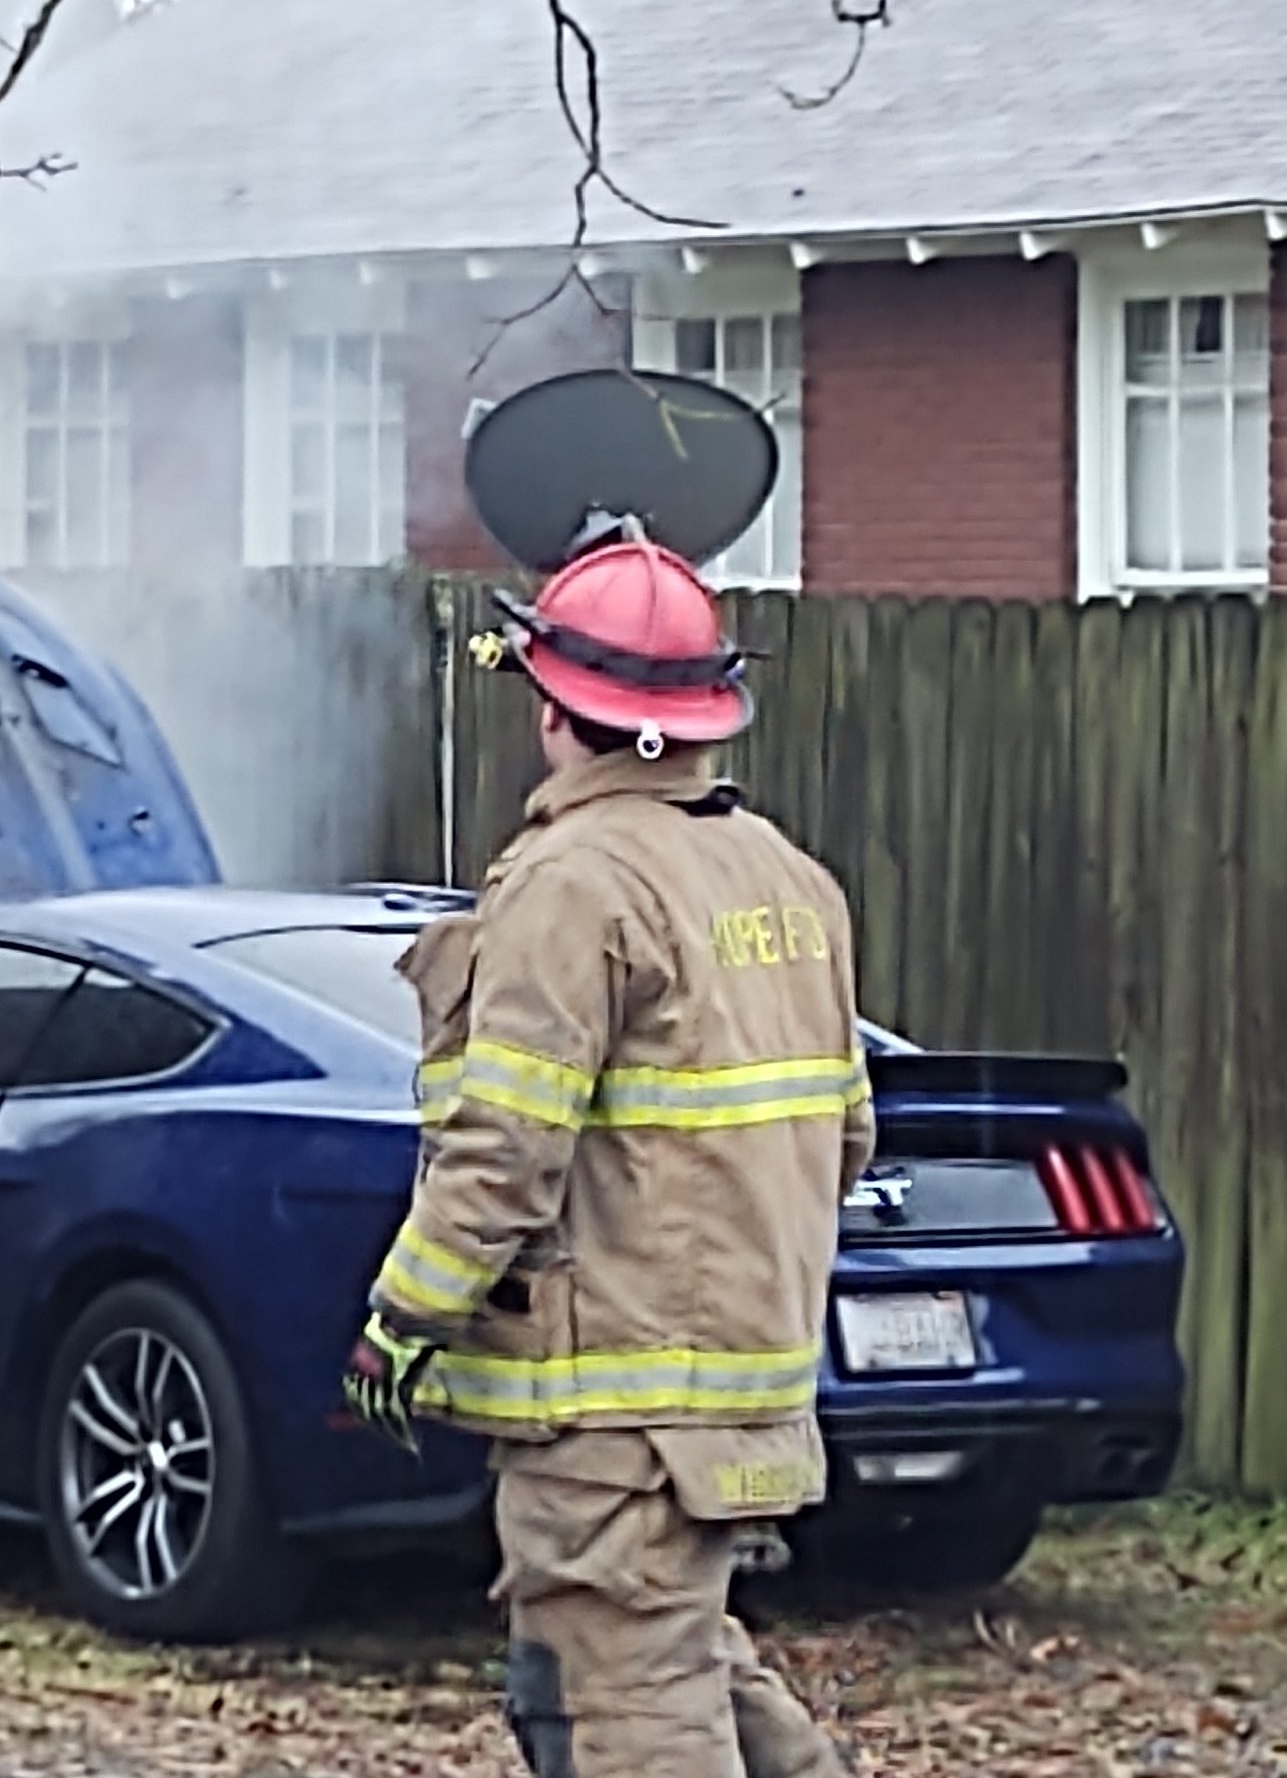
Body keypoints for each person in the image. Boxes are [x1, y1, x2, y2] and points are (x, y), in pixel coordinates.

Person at [341, 530, 873, 1778]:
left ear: (556, 714)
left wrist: (400, 1317)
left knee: (613, 1697)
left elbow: (503, 1150)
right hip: (739, 1395)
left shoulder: (572, 883)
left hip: (609, 1410)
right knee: (677, 1652)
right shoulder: (791, 882)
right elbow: (846, 1136)